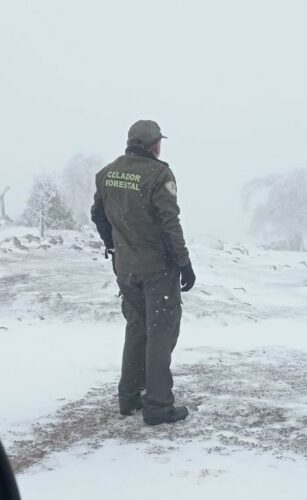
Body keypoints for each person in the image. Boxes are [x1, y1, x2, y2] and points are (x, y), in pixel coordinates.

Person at [91, 120, 196, 425]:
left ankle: (129, 398)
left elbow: (98, 214)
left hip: (126, 269)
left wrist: (114, 246)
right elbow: (169, 222)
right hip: (157, 270)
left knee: (136, 329)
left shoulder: (107, 173)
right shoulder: (158, 174)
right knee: (161, 334)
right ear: (154, 145)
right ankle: (159, 406)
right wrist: (184, 262)